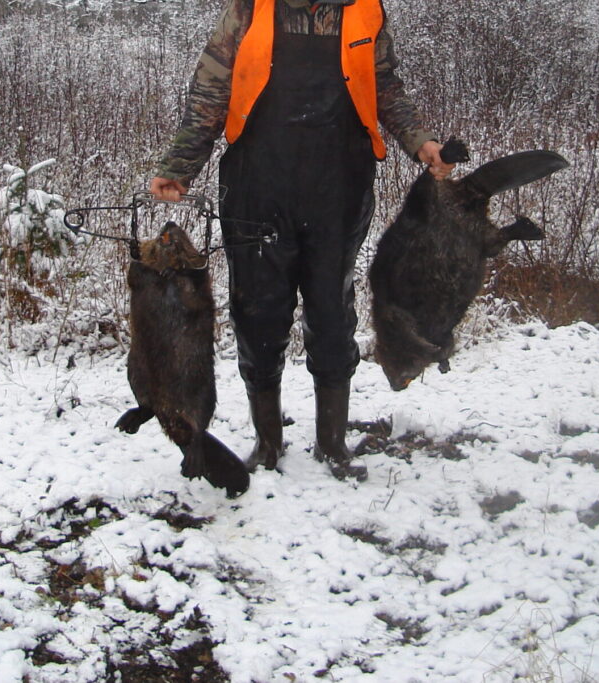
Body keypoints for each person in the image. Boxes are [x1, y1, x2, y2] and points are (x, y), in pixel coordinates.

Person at [150, 0, 454, 481]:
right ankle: (268, 442)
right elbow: (211, 89)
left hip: (339, 187)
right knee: (257, 314)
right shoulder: (250, 10)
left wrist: (420, 142)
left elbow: (385, 87)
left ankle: (332, 444)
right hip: (256, 187)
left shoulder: (365, 11)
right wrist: (179, 167)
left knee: (332, 315)